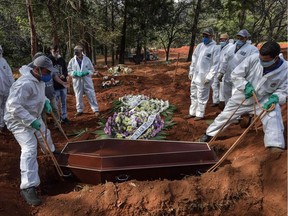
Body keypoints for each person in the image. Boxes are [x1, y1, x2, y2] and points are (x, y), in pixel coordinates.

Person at [200, 41, 287, 151]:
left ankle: (275, 145)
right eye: (260, 58)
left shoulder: (285, 69)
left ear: (275, 58)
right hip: (243, 95)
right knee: (226, 116)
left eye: (265, 61)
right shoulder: (253, 59)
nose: (261, 62)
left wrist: (276, 97)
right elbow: (236, 74)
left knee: (273, 115)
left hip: (264, 99)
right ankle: (209, 134)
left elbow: (284, 90)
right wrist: (245, 86)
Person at [4, 55, 59, 206]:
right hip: (17, 121)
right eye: (47, 72)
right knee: (29, 148)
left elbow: (37, 97)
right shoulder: (24, 84)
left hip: (32, 114)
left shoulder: (39, 79)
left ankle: (51, 152)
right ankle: (28, 186)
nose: (49, 75)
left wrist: (46, 102)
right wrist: (30, 121)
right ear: (37, 69)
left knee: (45, 134)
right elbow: (13, 107)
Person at [186, 27, 220, 120]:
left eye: (206, 36)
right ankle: (192, 112)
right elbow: (194, 59)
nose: (204, 37)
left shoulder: (215, 48)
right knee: (193, 94)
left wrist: (209, 77)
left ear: (212, 36)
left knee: (202, 96)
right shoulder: (200, 46)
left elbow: (215, 64)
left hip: (204, 77)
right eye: (203, 35)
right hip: (196, 76)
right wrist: (191, 71)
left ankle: (200, 114)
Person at [217, 29, 259, 104]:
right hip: (228, 76)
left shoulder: (252, 50)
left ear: (246, 38)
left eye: (241, 38)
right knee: (227, 95)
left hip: (240, 78)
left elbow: (254, 65)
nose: (239, 40)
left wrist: (250, 79)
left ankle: (236, 115)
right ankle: (228, 112)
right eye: (238, 38)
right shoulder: (231, 48)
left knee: (236, 97)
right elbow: (225, 61)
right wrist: (221, 72)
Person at [67, 45, 100, 117]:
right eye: (75, 51)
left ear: (81, 51)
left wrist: (87, 72)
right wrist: (75, 73)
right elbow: (69, 71)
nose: (76, 53)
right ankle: (79, 110)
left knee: (90, 94)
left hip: (86, 80)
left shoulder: (87, 59)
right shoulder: (72, 61)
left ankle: (95, 109)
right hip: (77, 80)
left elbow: (92, 70)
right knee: (78, 95)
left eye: (78, 51)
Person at [48, 45, 70, 124]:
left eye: (57, 51)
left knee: (63, 102)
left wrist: (64, 75)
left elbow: (65, 70)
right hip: (54, 86)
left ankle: (64, 117)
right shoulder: (49, 61)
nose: (56, 53)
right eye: (54, 51)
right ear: (51, 50)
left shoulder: (61, 60)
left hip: (63, 84)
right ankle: (57, 120)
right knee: (55, 104)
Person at [211, 33, 233, 107]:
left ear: (227, 40)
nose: (221, 41)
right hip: (217, 68)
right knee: (214, 84)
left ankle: (222, 101)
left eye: (223, 39)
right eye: (220, 39)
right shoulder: (219, 47)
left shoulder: (231, 47)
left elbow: (226, 60)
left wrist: (222, 71)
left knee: (222, 86)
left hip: (225, 71)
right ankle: (215, 100)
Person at [0, 45, 14, 133]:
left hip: (6, 89)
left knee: (5, 106)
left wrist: (13, 86)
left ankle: (4, 124)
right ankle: (1, 125)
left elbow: (9, 75)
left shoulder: (3, 61)